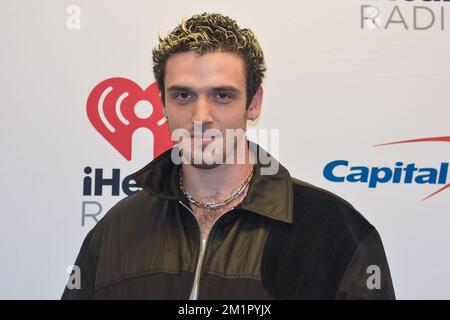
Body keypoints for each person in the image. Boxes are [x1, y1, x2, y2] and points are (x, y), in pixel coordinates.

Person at [62, 12, 395, 300]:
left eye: (222, 95)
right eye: (183, 95)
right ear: (162, 103)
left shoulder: (332, 229)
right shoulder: (116, 230)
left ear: (254, 103)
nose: (200, 116)